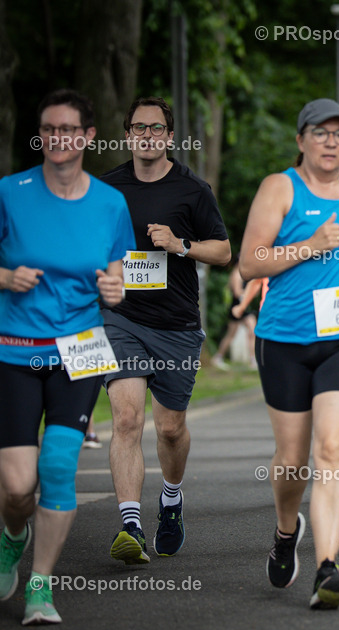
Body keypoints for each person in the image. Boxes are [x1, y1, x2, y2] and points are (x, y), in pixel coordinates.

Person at [238, 98, 339, 609]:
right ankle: (285, 531)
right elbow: (250, 263)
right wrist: (310, 245)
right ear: (301, 140)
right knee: (292, 460)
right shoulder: (280, 188)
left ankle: (327, 567)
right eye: (320, 134)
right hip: (284, 339)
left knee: (331, 447)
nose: (331, 143)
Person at [0, 89, 134, 625]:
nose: (58, 138)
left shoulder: (109, 203)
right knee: (16, 485)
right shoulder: (11, 192)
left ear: (87, 136)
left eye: (68, 130)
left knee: (57, 466)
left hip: (79, 348)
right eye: (49, 129)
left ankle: (41, 585)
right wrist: (4, 277)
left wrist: (115, 288)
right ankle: (13, 534)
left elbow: (119, 270)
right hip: (15, 349)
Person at [100, 96, 231, 565]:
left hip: (176, 324)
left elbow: (223, 252)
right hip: (120, 319)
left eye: (156, 129)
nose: (147, 136)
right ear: (128, 134)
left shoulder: (192, 190)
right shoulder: (107, 188)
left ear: (170, 137)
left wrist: (180, 245)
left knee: (170, 428)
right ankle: (130, 525)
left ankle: (171, 500)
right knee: (128, 419)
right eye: (139, 128)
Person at [211, 263, 259, 370]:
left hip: (246, 307)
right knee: (231, 334)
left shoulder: (246, 273)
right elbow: (237, 293)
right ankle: (218, 357)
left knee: (252, 331)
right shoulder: (236, 274)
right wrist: (249, 293)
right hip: (237, 307)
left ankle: (253, 360)